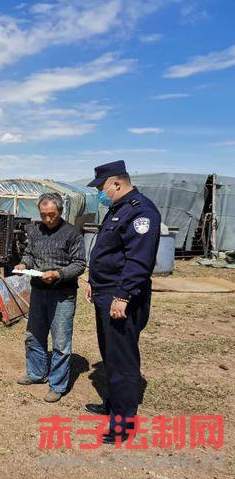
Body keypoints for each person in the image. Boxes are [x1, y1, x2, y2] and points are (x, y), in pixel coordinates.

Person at [84, 160, 161, 444]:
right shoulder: (118, 209)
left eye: (102, 188)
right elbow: (108, 253)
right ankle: (113, 406)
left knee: (123, 359)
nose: (100, 194)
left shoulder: (141, 211)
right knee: (111, 355)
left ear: (116, 183)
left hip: (121, 297)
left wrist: (122, 295)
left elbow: (138, 260)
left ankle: (123, 424)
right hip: (106, 291)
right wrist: (93, 282)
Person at [15, 193, 86, 403]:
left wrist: (58, 274)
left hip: (62, 294)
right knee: (34, 335)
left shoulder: (72, 233)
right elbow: (30, 254)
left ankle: (57, 384)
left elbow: (79, 264)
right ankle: (36, 373)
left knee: (61, 342)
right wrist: (24, 264)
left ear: (60, 211)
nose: (47, 219)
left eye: (52, 215)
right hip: (38, 291)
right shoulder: (35, 230)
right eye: (43, 214)